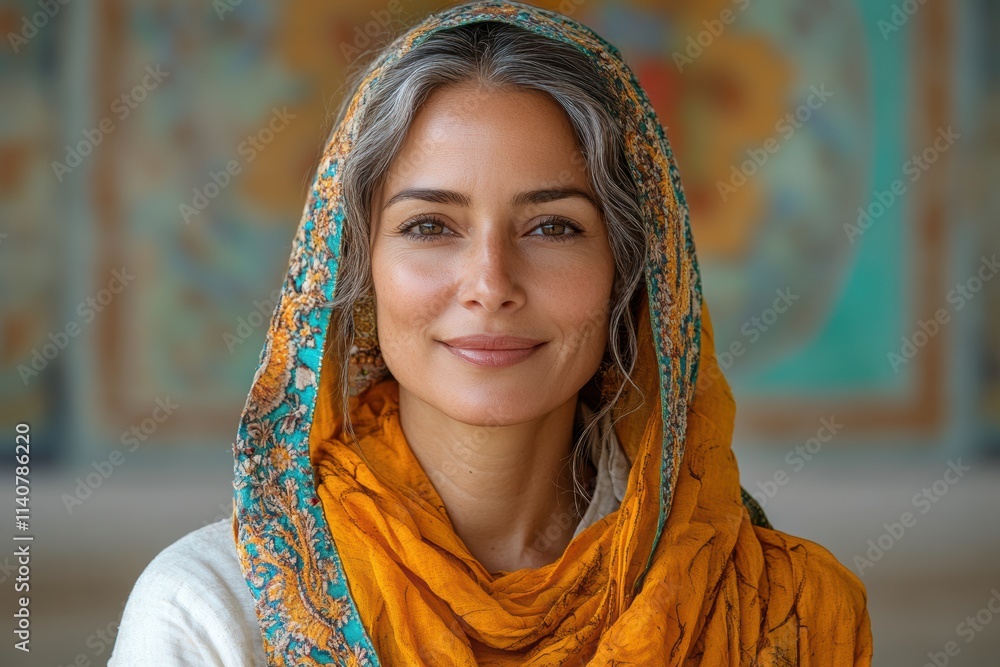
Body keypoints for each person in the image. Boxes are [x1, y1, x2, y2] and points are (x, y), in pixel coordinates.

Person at [110, 1, 872, 664]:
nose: (490, 283)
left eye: (552, 226)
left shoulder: (779, 610)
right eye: (430, 225)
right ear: (357, 268)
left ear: (630, 275)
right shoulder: (217, 612)